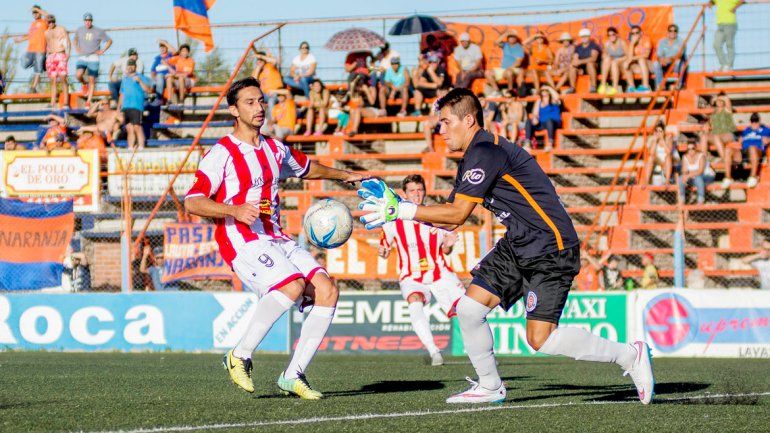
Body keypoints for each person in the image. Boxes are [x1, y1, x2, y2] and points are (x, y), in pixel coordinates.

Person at [357, 88, 653, 404]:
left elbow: (456, 214)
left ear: (468, 119)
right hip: (518, 243)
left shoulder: (485, 152)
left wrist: (401, 210)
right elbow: (451, 218)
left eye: (445, 122)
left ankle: (630, 356)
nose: (439, 130)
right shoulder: (474, 155)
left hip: (550, 247)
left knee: (540, 339)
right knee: (469, 310)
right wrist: (399, 204)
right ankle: (490, 386)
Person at [184, 77, 364, 399]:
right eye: (250, 102)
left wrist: (345, 175)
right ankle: (239, 355)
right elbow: (193, 201)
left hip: (276, 237)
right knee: (291, 285)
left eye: (261, 101)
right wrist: (234, 210)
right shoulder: (221, 153)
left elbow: (307, 168)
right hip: (241, 238)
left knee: (327, 290)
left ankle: (293, 375)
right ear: (234, 110)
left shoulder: (274, 148)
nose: (259, 107)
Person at [378, 175, 464, 366]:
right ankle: (434, 352)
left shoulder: (437, 215)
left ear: (425, 191)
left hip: (440, 273)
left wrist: (448, 245)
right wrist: (383, 251)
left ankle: (483, 353)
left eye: (420, 190)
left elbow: (446, 248)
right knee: (414, 302)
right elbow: (384, 250)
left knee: (467, 311)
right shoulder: (393, 220)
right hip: (412, 276)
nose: (416, 194)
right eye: (412, 191)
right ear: (404, 194)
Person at [73, 13, 112, 107]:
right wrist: (77, 48)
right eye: (86, 21)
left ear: (92, 21)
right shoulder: (80, 29)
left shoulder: (98, 31)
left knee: (92, 79)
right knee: (78, 74)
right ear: (84, 21)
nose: (88, 22)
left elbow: (109, 41)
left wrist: (103, 50)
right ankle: (83, 83)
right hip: (82, 56)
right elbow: (74, 40)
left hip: (93, 57)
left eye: (89, 20)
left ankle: (88, 101)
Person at [722, 112, 769, 189]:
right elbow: (740, 139)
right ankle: (728, 178)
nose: (754, 123)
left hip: (757, 151)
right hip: (744, 152)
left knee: (752, 147)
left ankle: (753, 177)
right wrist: (740, 140)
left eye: (756, 121)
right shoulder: (746, 130)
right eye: (752, 121)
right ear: (750, 122)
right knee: (728, 150)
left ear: (759, 122)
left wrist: (768, 140)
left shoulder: (765, 129)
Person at [118, 59, 153, 149]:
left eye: (132, 65)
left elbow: (148, 90)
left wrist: (140, 81)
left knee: (137, 127)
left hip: (136, 106)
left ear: (135, 67)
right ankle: (130, 147)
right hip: (126, 107)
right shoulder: (124, 79)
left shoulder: (141, 77)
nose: (130, 67)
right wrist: (119, 108)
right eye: (129, 65)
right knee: (129, 128)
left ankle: (141, 146)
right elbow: (122, 94)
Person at [14, 5, 48, 93]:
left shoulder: (44, 22)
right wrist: (20, 40)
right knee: (24, 64)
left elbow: (48, 16)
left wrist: (37, 9)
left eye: (36, 12)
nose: (35, 14)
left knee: (37, 70)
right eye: (33, 13)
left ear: (40, 12)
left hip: (40, 49)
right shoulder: (32, 24)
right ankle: (40, 63)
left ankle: (33, 87)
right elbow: (30, 36)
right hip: (31, 49)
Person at [485, 32, 525, 96]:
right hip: (503, 69)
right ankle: (497, 91)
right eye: (509, 37)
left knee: (509, 72)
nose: (511, 38)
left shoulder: (519, 48)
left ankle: (510, 91)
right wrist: (505, 34)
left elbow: (518, 62)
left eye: (513, 37)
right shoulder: (505, 45)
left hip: (514, 69)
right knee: (487, 72)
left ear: (516, 38)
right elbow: (496, 42)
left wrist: (510, 68)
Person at [524, 86, 561, 151]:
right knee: (529, 121)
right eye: (542, 90)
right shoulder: (539, 101)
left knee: (549, 121)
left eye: (545, 90)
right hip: (542, 123)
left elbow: (557, 97)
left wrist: (549, 88)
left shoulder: (553, 100)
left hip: (554, 122)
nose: (544, 91)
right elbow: (535, 113)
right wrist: (535, 118)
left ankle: (550, 144)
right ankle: (527, 144)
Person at [44, 15, 70, 108]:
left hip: (60, 54)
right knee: (52, 80)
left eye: (52, 21)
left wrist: (68, 54)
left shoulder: (61, 29)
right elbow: (46, 46)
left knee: (63, 78)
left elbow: (67, 41)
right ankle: (52, 102)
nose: (51, 23)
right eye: (49, 22)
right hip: (51, 56)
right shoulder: (46, 32)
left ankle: (66, 102)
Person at [711, 0, 745, 71]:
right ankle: (723, 64)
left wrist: (735, 8)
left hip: (730, 23)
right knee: (716, 45)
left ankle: (729, 65)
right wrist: (709, 4)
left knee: (729, 44)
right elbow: (712, 1)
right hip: (720, 24)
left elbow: (742, 1)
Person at [679, 139, 715, 204]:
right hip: (694, 177)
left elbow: (700, 171)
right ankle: (682, 198)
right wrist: (684, 176)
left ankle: (701, 198)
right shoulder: (685, 157)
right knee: (680, 178)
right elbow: (684, 171)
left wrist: (688, 175)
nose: (691, 150)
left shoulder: (701, 156)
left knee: (698, 177)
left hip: (707, 176)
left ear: (695, 148)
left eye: (692, 148)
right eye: (689, 149)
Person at [703, 92, 736, 161]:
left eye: (721, 100)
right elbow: (709, 124)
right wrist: (707, 124)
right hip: (716, 134)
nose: (719, 102)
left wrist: (716, 98)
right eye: (718, 100)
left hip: (727, 134)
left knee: (716, 137)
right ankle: (704, 159)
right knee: (704, 136)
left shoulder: (727, 109)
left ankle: (725, 160)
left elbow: (726, 99)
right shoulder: (713, 112)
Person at [250, 50, 283, 118]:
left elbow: (274, 61)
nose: (259, 61)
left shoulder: (270, 66)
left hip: (276, 93)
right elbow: (253, 82)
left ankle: (271, 122)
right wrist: (258, 68)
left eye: (261, 59)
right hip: (264, 95)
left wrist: (261, 56)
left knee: (271, 101)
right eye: (258, 60)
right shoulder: (257, 70)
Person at [653, 24, 686, 90]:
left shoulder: (681, 42)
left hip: (675, 64)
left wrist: (670, 59)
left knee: (679, 62)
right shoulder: (662, 42)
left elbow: (680, 55)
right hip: (665, 63)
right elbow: (659, 55)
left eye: (675, 31)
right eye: (671, 31)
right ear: (668, 32)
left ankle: (678, 84)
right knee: (656, 64)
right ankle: (660, 85)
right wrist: (661, 60)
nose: (673, 32)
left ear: (677, 32)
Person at [598, 27, 627, 96]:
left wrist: (617, 60)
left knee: (614, 63)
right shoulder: (607, 44)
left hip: (622, 65)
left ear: (616, 35)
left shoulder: (622, 43)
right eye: (609, 35)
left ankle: (615, 87)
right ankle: (603, 84)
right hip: (611, 67)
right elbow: (604, 55)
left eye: (613, 34)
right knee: (607, 59)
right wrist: (605, 56)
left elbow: (628, 56)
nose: (611, 36)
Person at [569, 28, 600, 93]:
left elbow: (593, 58)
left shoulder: (594, 45)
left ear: (589, 37)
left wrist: (580, 62)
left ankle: (593, 86)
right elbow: (575, 58)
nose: (584, 38)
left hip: (593, 67)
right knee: (572, 67)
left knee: (590, 64)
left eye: (585, 36)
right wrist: (576, 65)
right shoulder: (578, 47)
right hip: (582, 68)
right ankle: (572, 88)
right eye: (582, 36)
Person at [622, 25, 653, 92]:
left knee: (641, 60)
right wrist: (632, 44)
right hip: (637, 66)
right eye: (633, 33)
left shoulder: (646, 39)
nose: (635, 35)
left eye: (637, 32)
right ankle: (631, 87)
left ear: (640, 33)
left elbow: (646, 55)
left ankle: (646, 86)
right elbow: (629, 57)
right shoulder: (631, 42)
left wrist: (632, 59)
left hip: (647, 65)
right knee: (625, 63)